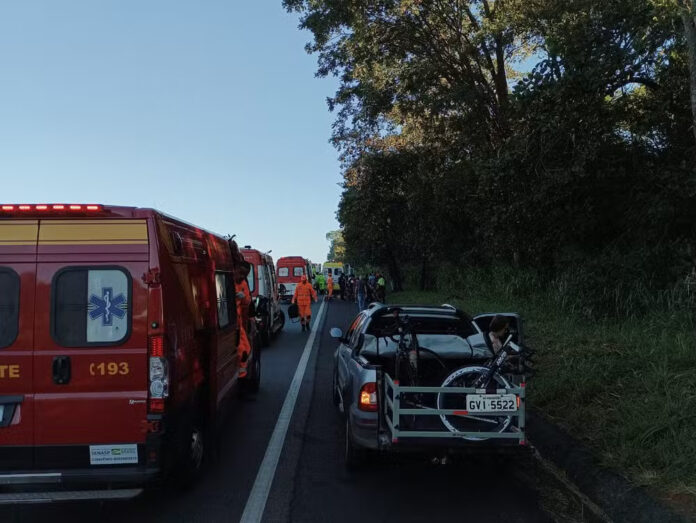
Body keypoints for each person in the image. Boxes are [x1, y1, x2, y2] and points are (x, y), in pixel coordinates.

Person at [235, 261, 253, 378]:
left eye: (245, 275)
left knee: (246, 348)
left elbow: (247, 301)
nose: (242, 276)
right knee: (242, 349)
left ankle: (242, 373)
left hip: (238, 321)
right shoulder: (227, 279)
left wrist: (243, 297)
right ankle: (241, 374)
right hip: (231, 321)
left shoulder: (243, 283)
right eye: (241, 273)